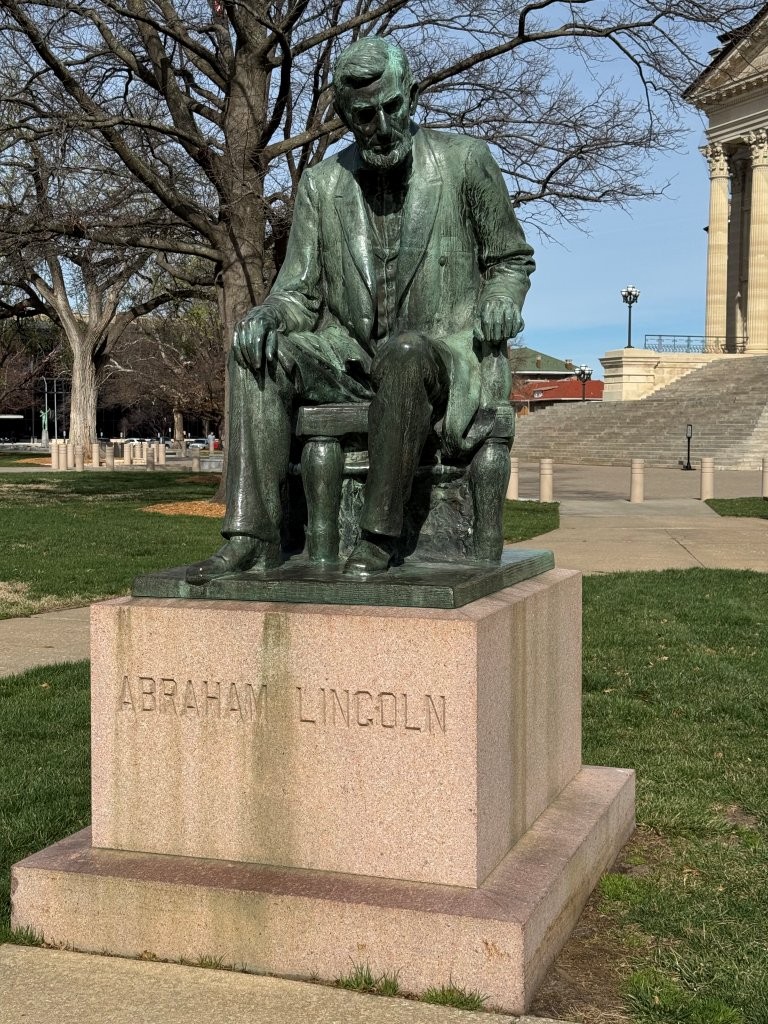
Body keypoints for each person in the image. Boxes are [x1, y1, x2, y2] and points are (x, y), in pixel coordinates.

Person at [187, 37, 534, 584]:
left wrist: (498, 302)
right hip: (348, 357)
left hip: (438, 356)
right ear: (346, 116)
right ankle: (251, 538)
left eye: (391, 106)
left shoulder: (466, 161)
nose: (382, 124)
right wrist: (269, 316)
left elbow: (510, 260)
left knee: (404, 351)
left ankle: (378, 535)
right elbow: (298, 292)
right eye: (365, 115)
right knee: (254, 353)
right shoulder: (323, 185)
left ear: (411, 95)